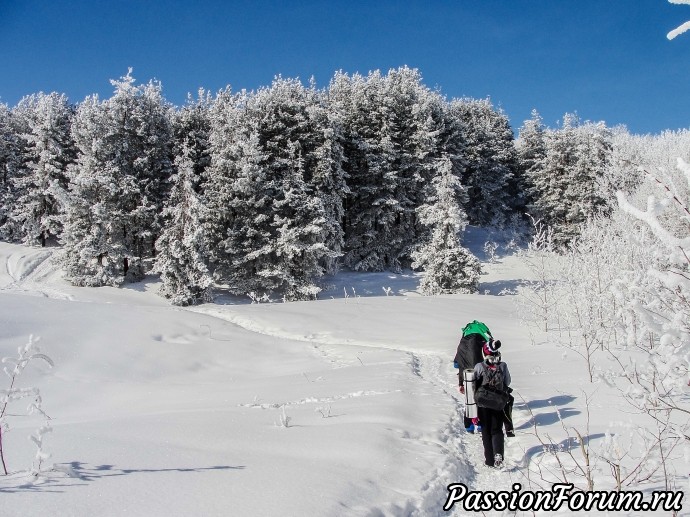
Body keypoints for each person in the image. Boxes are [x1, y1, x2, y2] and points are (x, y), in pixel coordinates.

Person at [473, 342, 511, 468]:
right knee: (497, 429)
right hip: (498, 404)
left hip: (483, 404)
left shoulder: (479, 366)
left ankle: (489, 460)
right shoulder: (503, 366)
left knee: (486, 431)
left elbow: (473, 385)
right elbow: (508, 381)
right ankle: (498, 453)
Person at [454, 321, 494, 433]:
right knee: (480, 398)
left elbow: (456, 363)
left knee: (469, 399)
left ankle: (469, 425)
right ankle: (481, 423)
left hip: (465, 375)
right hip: (480, 375)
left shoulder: (461, 344)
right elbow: (490, 360)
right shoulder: (483, 343)